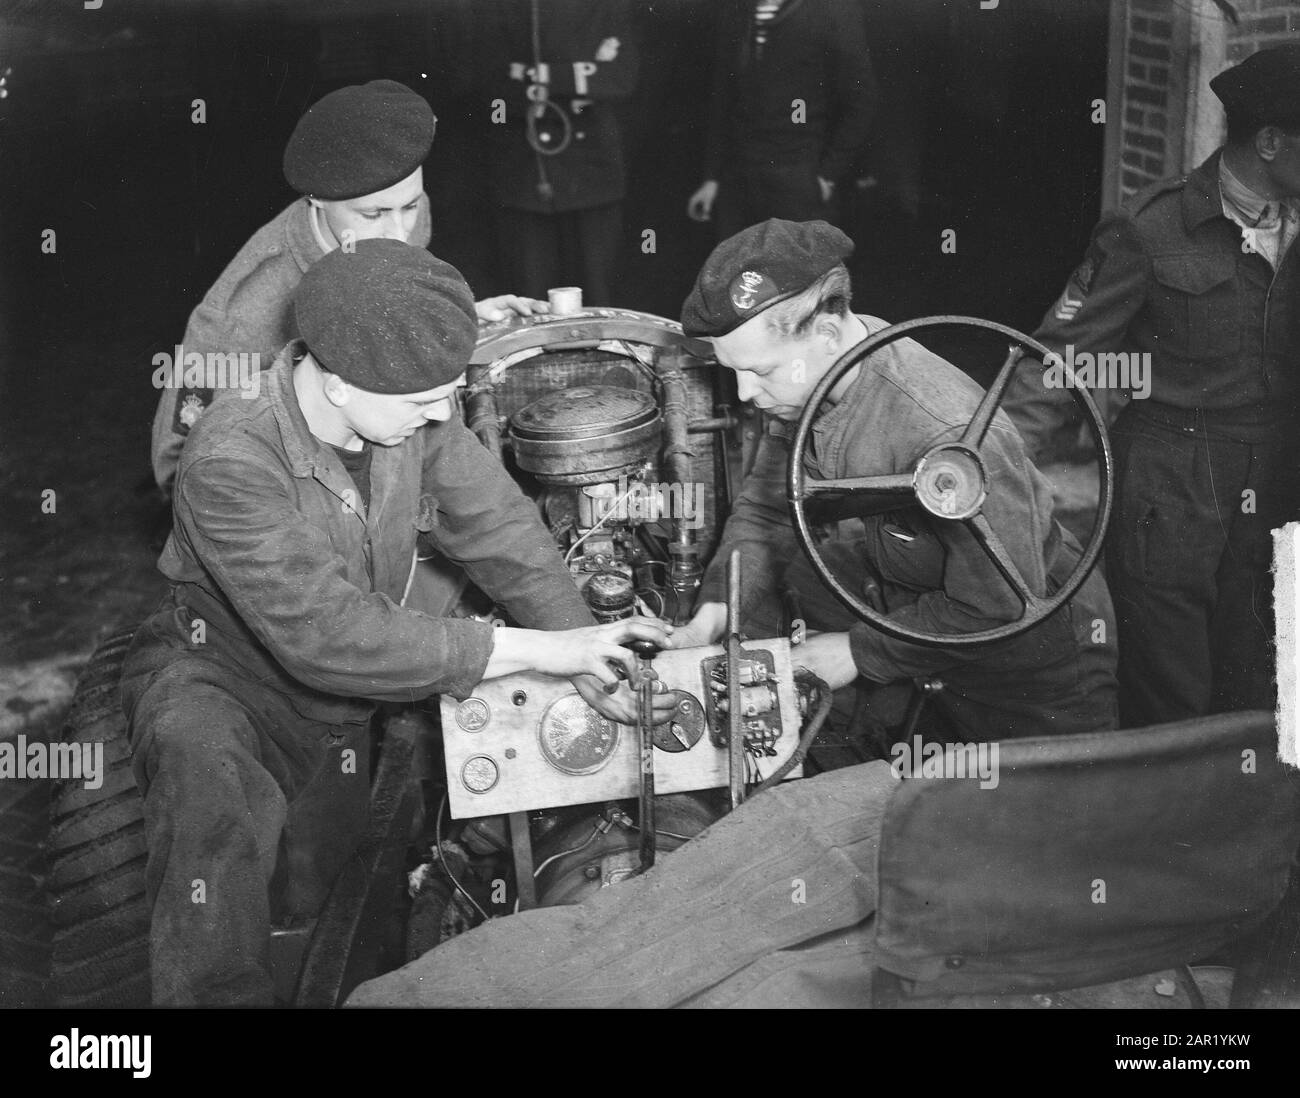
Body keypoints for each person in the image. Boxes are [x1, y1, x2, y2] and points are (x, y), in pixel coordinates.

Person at [121, 239, 676, 1006]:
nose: (441, 412)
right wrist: (537, 651)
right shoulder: (231, 459)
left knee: (346, 883)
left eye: (446, 394)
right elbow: (327, 635)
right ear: (340, 384)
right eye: (424, 401)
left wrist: (583, 648)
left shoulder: (408, 410)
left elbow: (500, 532)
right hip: (231, 678)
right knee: (209, 808)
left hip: (353, 687)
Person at [672, 219, 1119, 743]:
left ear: (827, 333)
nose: (745, 393)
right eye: (735, 372)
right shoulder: (807, 380)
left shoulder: (944, 432)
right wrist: (716, 610)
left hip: (1030, 668)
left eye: (761, 372)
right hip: (919, 623)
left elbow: (998, 606)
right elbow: (770, 508)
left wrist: (858, 652)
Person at [1002, 44, 1300, 727]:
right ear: (1272, 141)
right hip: (1170, 485)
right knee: (1170, 690)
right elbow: (1063, 359)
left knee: (1264, 677)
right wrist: (990, 464)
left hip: (1279, 477)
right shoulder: (1149, 229)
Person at [150, 79, 545, 497]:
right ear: (316, 201)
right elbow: (180, 466)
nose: (398, 234)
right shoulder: (245, 314)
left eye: (410, 206)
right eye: (374, 213)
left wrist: (449, 318)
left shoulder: (393, 218)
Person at [473, 0, 640, 305]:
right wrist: (573, 81)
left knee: (599, 292)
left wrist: (536, 75)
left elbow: (620, 79)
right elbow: (486, 86)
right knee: (529, 295)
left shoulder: (605, 8)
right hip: (524, 174)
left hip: (591, 172)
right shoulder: (496, 9)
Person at [686, 0, 878, 238]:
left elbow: (861, 100)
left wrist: (829, 174)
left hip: (799, 178)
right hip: (738, 180)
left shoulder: (833, 10)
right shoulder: (737, 12)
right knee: (739, 273)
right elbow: (722, 101)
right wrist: (711, 178)